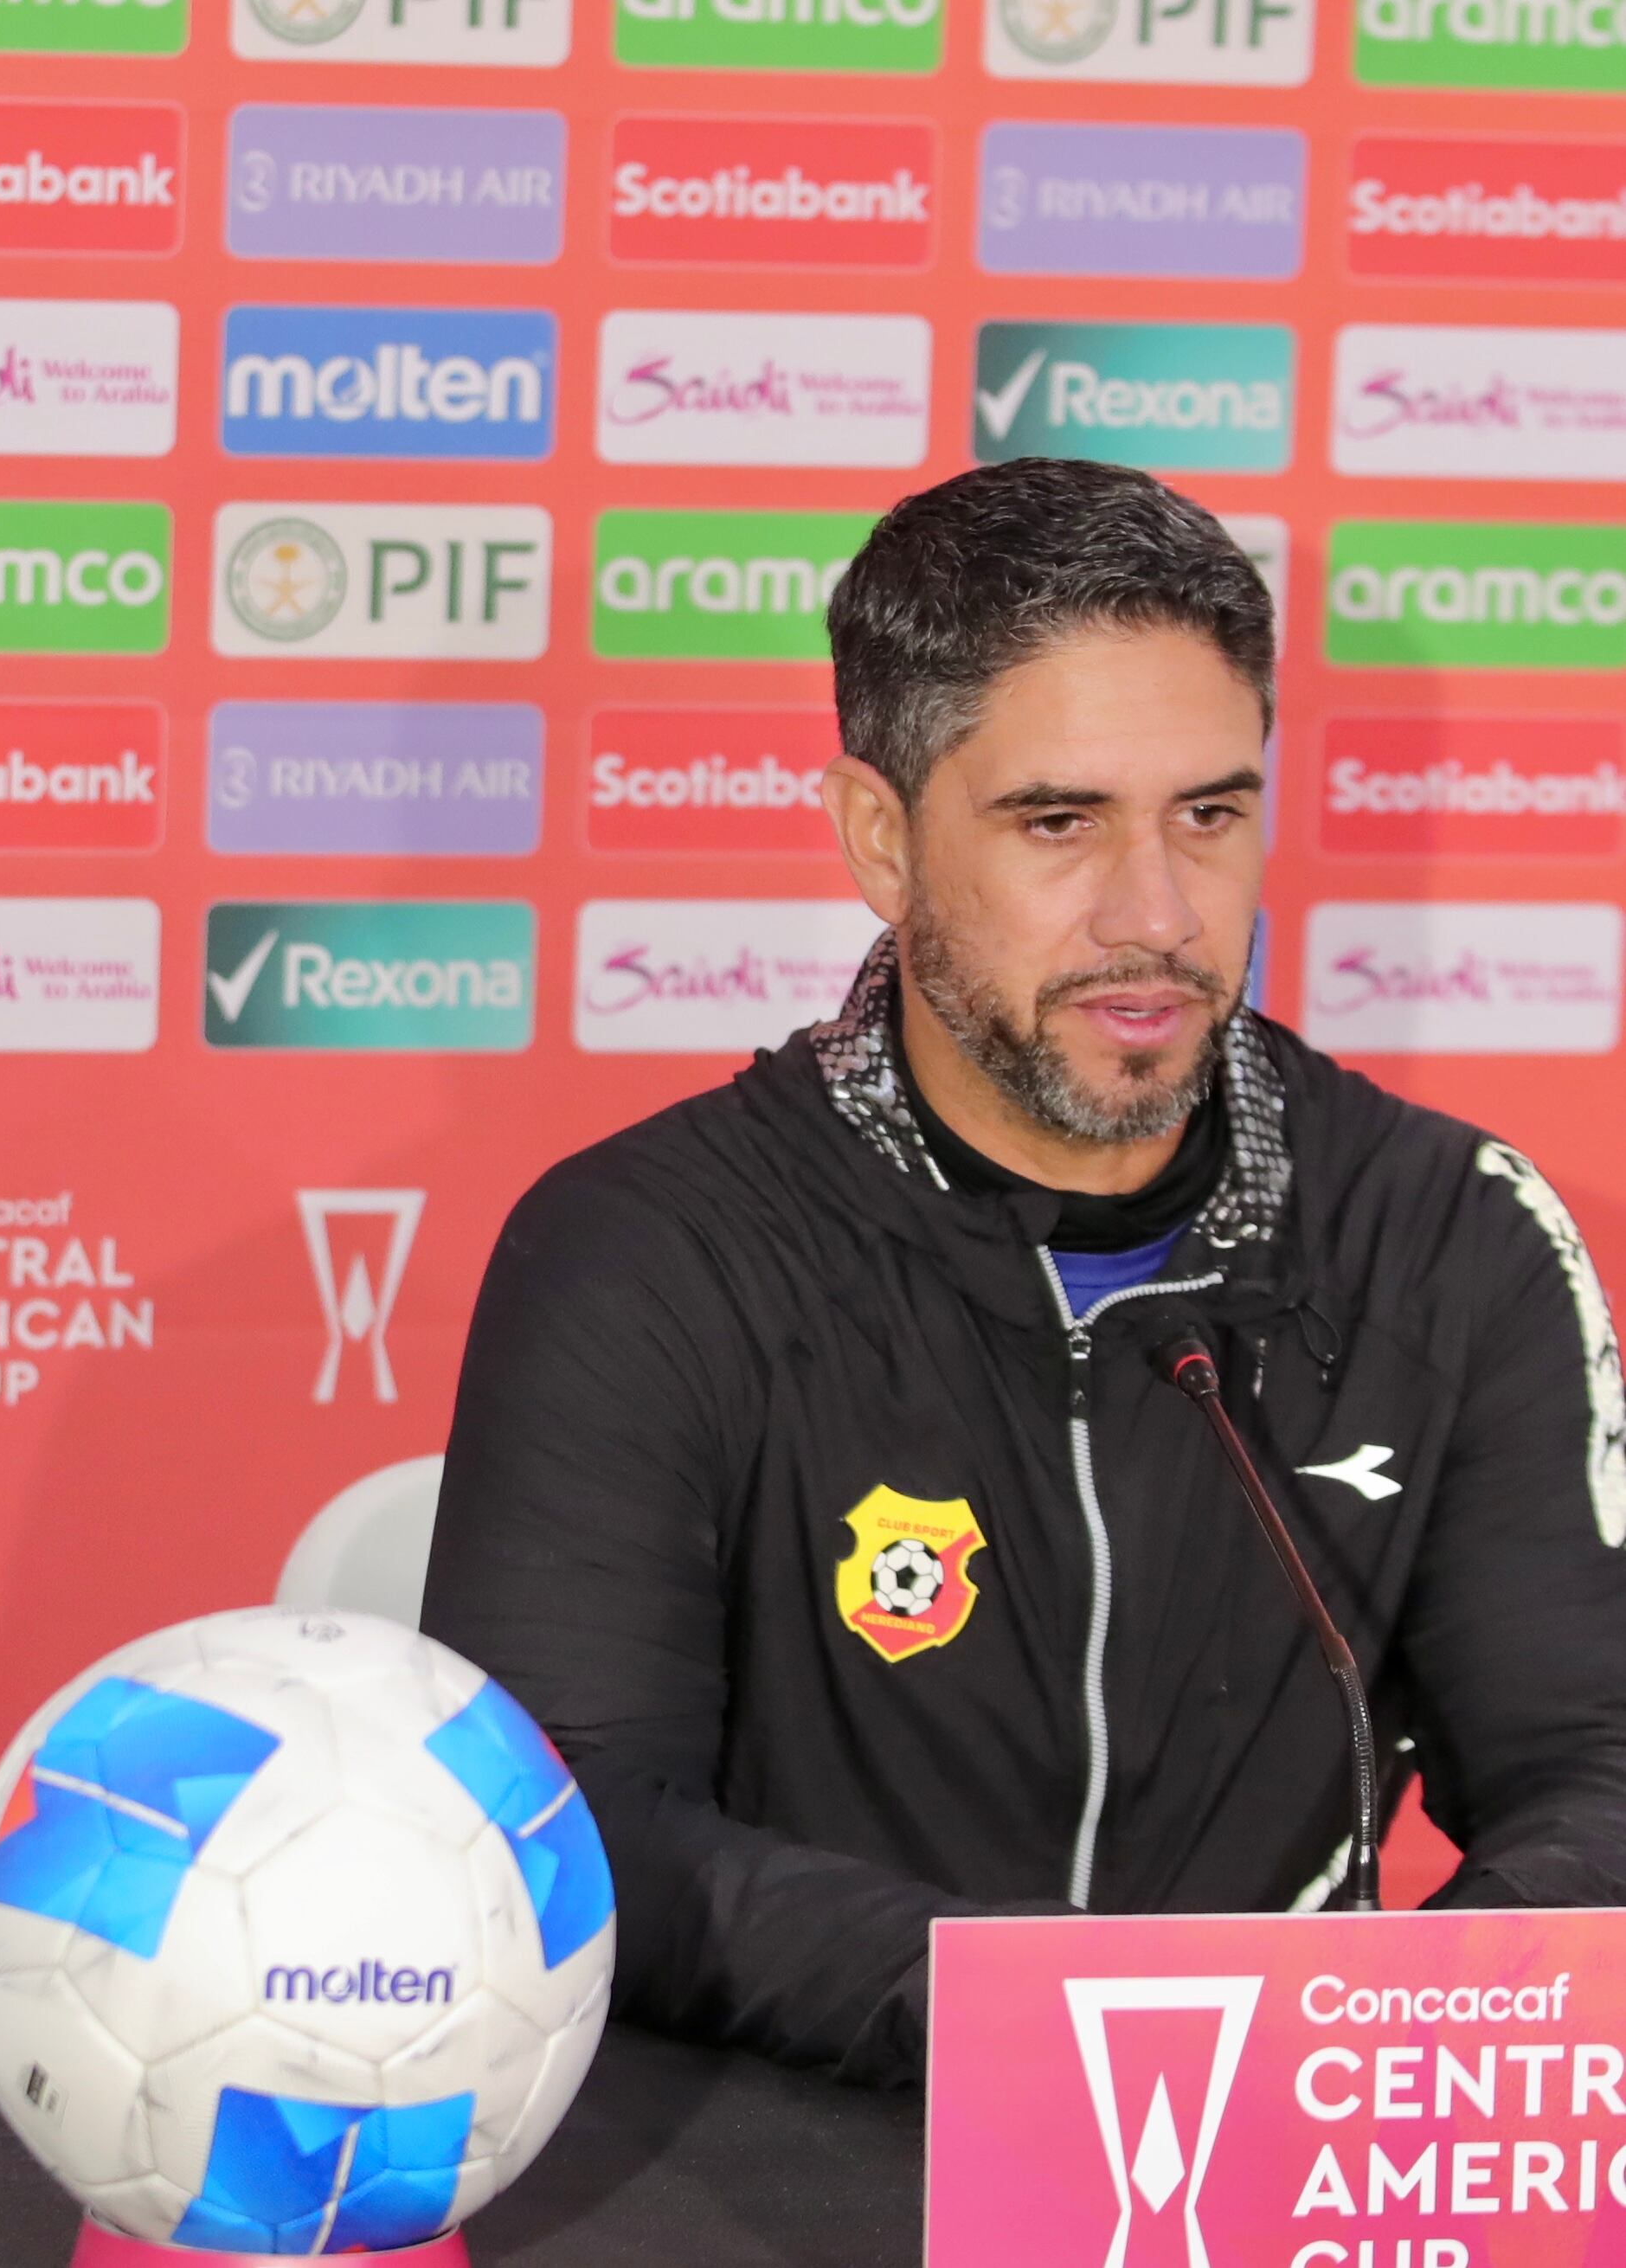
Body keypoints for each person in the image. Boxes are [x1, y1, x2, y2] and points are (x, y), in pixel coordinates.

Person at [421, 458, 1626, 2086]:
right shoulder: (647, 1251)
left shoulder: (1447, 1234)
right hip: (791, 2154)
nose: (1157, 914)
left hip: (1284, 2146)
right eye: (1061, 822)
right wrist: (1035, 2027)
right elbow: (572, 1820)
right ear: (882, 838)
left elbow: (1594, 1764)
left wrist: (1403, 2041)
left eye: (1210, 815)